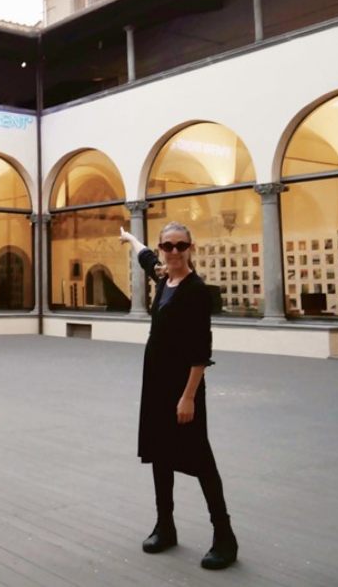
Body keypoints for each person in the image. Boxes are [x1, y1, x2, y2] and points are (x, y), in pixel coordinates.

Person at [119, 221, 238, 570]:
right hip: (156, 385)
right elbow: (144, 257)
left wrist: (188, 396)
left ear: (191, 248)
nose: (173, 252)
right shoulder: (163, 279)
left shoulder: (195, 291)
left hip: (182, 387)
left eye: (180, 246)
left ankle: (225, 536)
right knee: (160, 454)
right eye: (167, 246)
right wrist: (129, 238)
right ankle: (165, 526)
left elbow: (201, 349)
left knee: (200, 459)